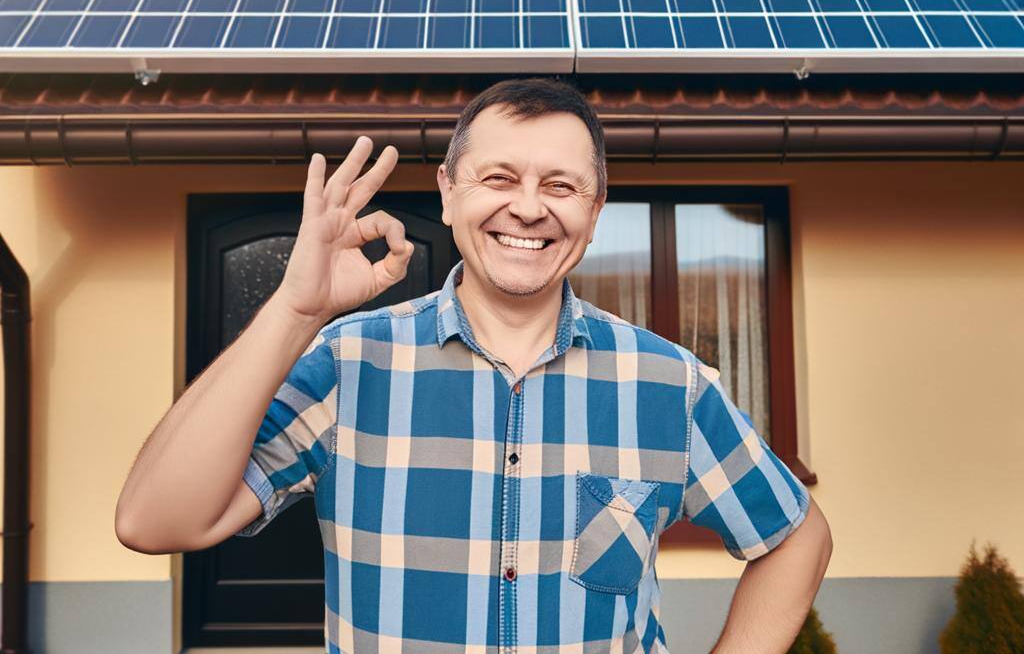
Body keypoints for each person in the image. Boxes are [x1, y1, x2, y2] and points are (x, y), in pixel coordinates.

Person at [115, 76, 832, 653]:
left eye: (560, 186)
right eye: (498, 178)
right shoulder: (347, 361)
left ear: (595, 209)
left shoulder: (666, 383)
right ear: (449, 192)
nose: (528, 208)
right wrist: (295, 311)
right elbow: (154, 522)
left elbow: (798, 536)